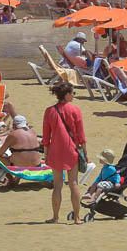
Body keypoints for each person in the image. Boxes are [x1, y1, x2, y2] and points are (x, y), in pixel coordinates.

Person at [42, 82, 86, 224]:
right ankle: (77, 218)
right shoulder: (75, 110)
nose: (73, 95)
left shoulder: (49, 111)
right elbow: (81, 135)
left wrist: (46, 153)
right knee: (73, 183)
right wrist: (85, 153)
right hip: (71, 150)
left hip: (55, 150)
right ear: (66, 95)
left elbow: (46, 136)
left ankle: (55, 217)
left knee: (57, 185)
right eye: (73, 93)